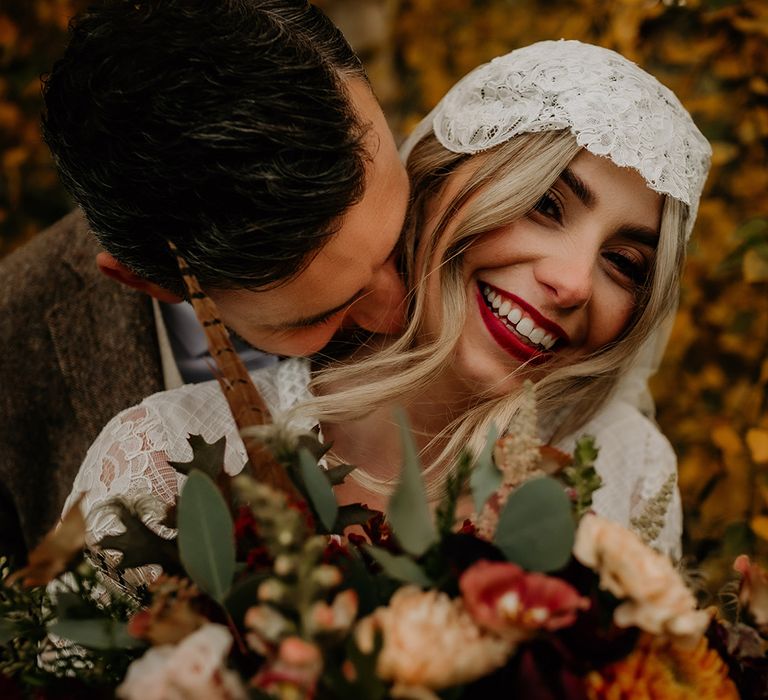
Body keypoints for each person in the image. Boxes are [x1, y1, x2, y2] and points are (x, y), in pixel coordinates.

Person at [65, 40, 711, 564]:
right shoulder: (167, 456)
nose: (573, 282)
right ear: (431, 181)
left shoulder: (628, 467)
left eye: (624, 263)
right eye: (543, 203)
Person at [0, 0, 410, 562]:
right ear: (150, 283)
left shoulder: (459, 166)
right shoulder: (12, 350)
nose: (403, 309)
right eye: (319, 313)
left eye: (398, 237)